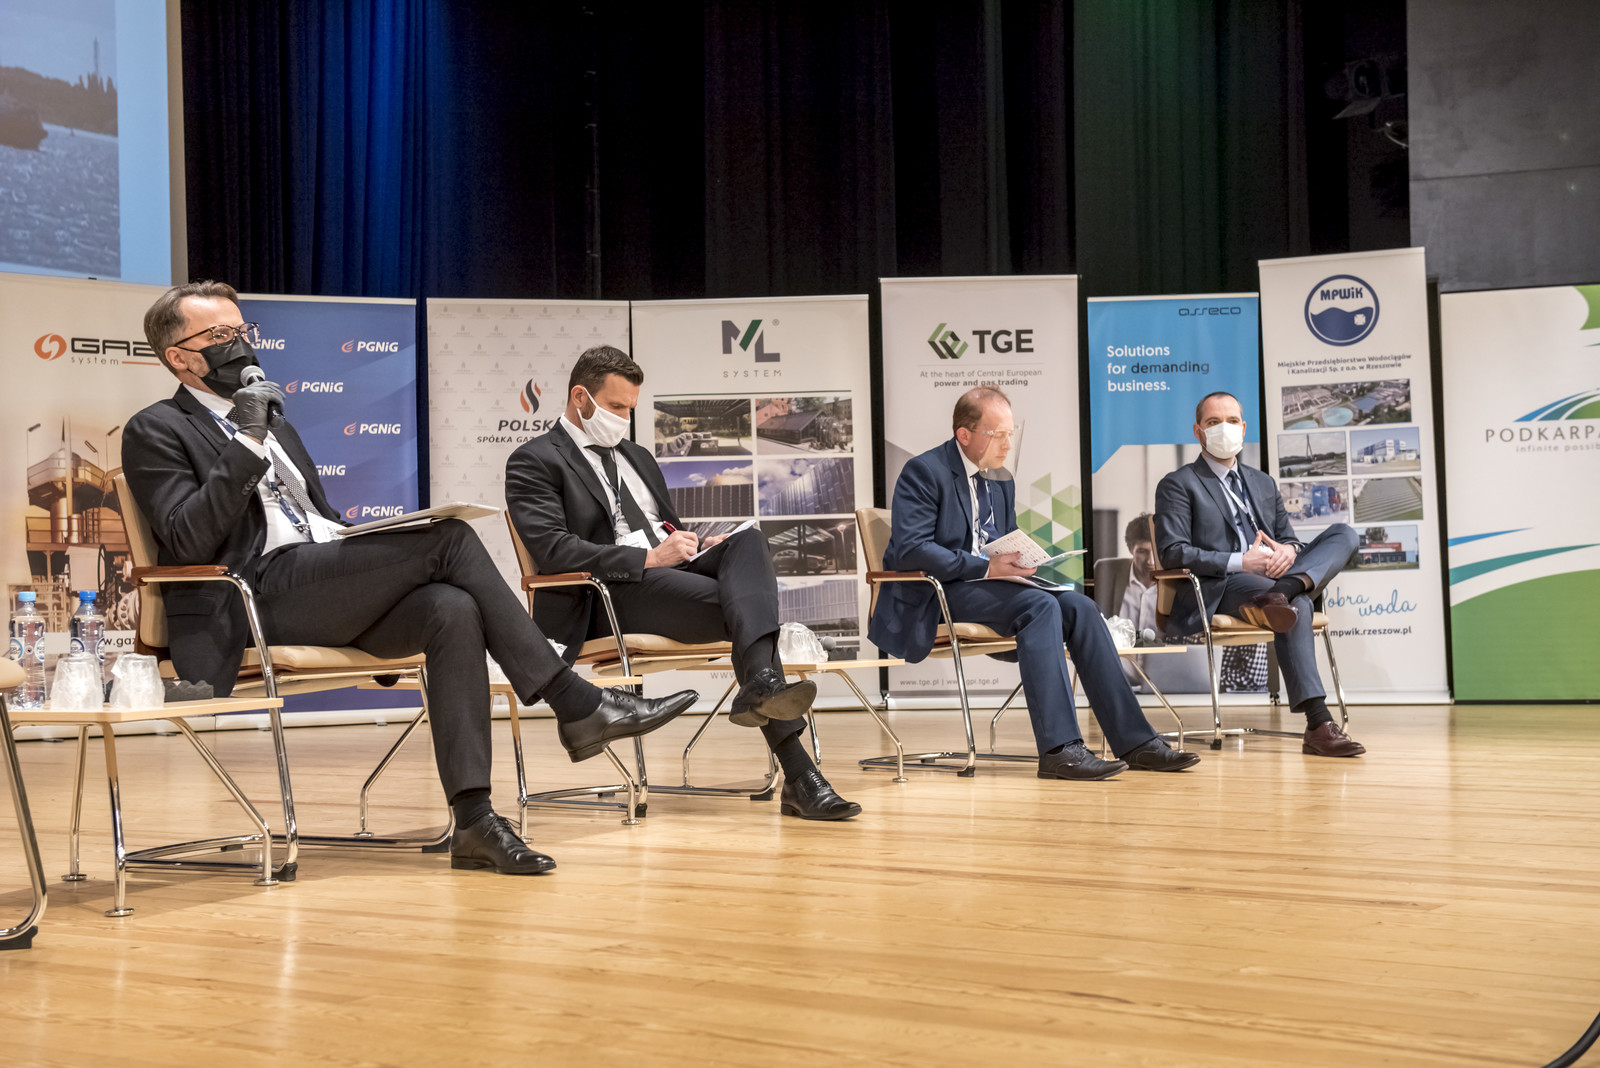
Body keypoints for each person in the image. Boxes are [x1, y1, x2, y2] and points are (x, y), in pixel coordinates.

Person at [121, 281, 698, 876]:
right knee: (449, 539)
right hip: (251, 600)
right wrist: (246, 440)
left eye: (244, 330)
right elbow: (188, 539)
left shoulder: (276, 422)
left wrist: (362, 537)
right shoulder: (156, 428)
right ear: (180, 357)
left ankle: (474, 821)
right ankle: (574, 701)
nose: (241, 343)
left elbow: (316, 519)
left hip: (318, 580)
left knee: (450, 608)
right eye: (221, 334)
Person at [503, 346, 861, 821]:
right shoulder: (534, 460)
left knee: (748, 541)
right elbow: (553, 550)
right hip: (608, 594)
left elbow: (660, 526)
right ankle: (798, 769)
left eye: (630, 409)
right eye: (615, 407)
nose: (624, 419)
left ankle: (763, 688)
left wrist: (691, 542)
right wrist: (648, 558)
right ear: (580, 397)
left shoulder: (637, 456)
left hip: (669, 572)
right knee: (746, 612)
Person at [868, 386, 1199, 780]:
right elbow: (912, 549)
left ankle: (1136, 742)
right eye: (998, 434)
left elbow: (998, 541)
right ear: (964, 435)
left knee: (1080, 606)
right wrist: (986, 568)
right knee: (1039, 606)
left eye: (1011, 433)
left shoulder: (1000, 479)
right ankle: (1061, 750)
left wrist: (1017, 560)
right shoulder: (925, 471)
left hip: (986, 588)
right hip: (935, 594)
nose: (1008, 444)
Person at [1152, 391, 1365, 757]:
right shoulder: (1179, 483)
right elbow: (1174, 552)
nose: (1224, 428)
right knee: (1298, 603)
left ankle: (1285, 588)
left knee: (1344, 534)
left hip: (1274, 577)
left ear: (1244, 428)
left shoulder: (1263, 482)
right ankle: (1318, 722)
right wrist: (1240, 561)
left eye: (1232, 421)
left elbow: (1288, 538)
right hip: (1225, 583)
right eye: (1213, 422)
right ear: (1198, 431)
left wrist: (1289, 551)